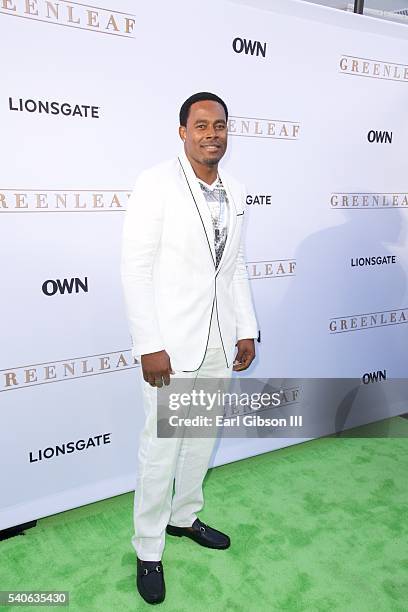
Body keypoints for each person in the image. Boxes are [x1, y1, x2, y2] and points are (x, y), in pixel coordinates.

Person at [121, 92, 259, 604]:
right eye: (201, 124)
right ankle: (149, 548)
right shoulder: (155, 183)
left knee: (199, 440)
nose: (211, 133)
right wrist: (149, 345)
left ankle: (184, 518)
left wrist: (246, 328)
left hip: (220, 340)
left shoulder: (237, 189)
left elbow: (235, 268)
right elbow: (135, 270)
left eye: (220, 125)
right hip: (171, 347)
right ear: (183, 131)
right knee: (160, 450)